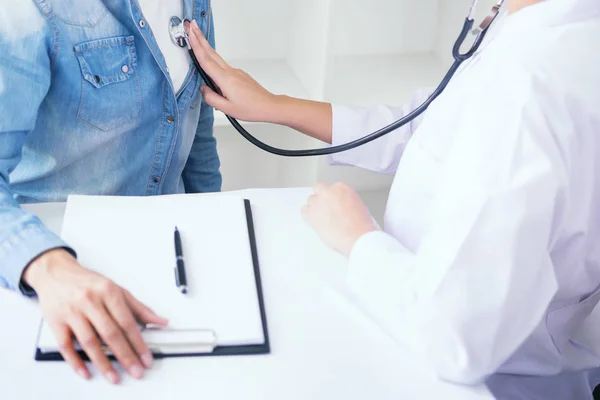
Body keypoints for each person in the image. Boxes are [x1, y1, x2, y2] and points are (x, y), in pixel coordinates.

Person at [185, 0, 600, 394]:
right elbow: (424, 130)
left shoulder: (528, 87)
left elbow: (456, 337)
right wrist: (276, 107)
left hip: (479, 381)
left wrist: (358, 239)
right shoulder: (550, 33)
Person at [0, 0, 220, 384]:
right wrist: (48, 267)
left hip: (171, 271)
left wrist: (218, 229)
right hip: (60, 281)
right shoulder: (23, 11)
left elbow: (197, 121)